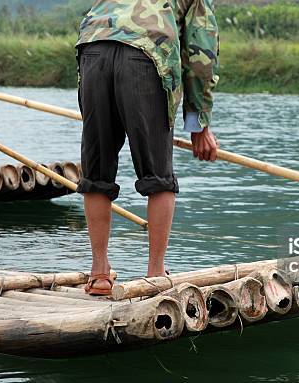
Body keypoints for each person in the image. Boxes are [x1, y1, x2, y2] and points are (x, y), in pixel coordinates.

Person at [76, 0, 220, 295]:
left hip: (92, 49)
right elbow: (200, 54)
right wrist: (199, 125)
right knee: (158, 175)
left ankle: (99, 274)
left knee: (96, 170)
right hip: (146, 56)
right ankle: (155, 273)